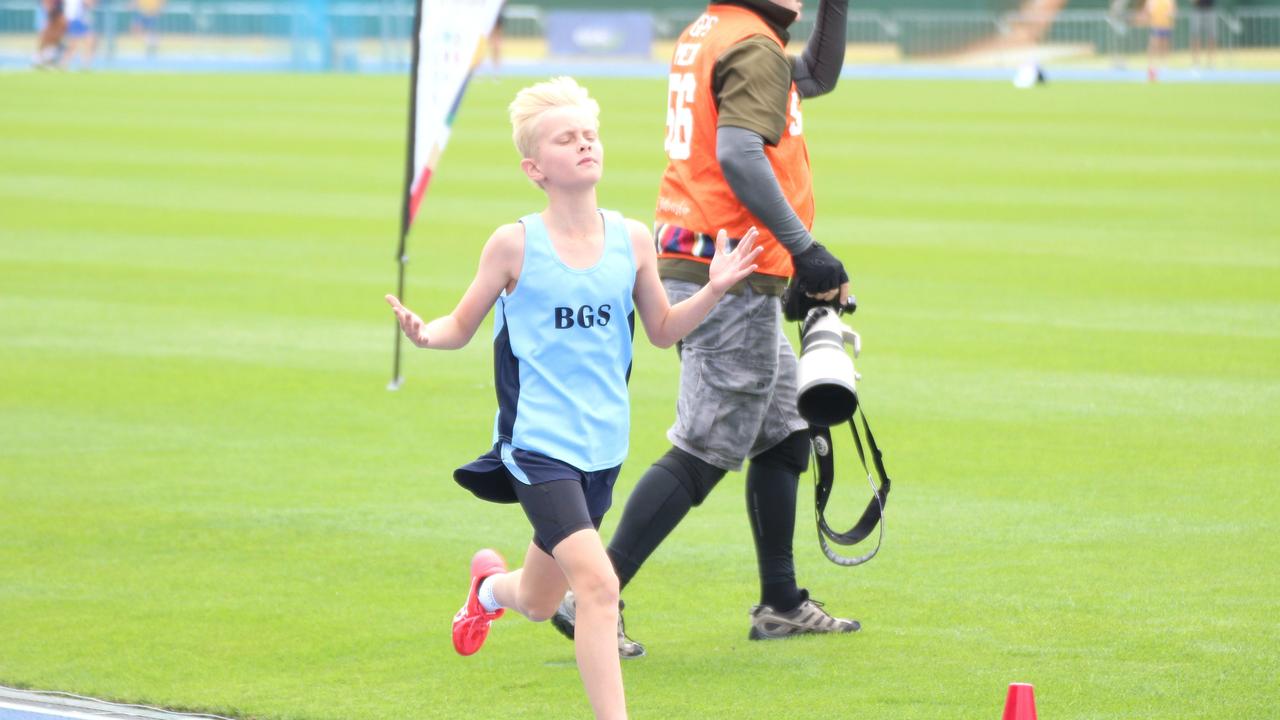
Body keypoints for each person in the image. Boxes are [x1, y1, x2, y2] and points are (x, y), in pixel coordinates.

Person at [385, 77, 760, 720]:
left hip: (603, 448)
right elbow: (459, 326)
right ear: (535, 168)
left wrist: (716, 288)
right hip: (537, 447)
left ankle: (488, 591)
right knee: (598, 584)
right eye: (567, 138)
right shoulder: (514, 244)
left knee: (535, 599)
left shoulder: (633, 240)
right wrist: (425, 335)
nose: (585, 144)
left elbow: (665, 331)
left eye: (590, 134)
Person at [551, 0, 859, 657]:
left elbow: (817, 75)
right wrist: (805, 249)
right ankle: (591, 599)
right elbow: (740, 154)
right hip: (730, 269)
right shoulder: (748, 43)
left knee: (783, 429)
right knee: (706, 443)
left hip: (712, 259)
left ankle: (780, 604)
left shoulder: (718, 32)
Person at [1143, 0, 1176, 82]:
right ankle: (1151, 65)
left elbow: (1173, 10)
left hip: (1166, 25)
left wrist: (1171, 14)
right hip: (1155, 25)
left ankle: (1164, 63)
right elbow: (1147, 10)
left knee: (1165, 44)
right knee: (1154, 44)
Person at [34, 0, 67, 69]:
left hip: (55, 11)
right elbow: (46, 3)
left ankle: (47, 58)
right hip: (49, 12)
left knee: (53, 37)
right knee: (46, 37)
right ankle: (39, 58)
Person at [1190, 0, 1215, 69]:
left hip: (1210, 9)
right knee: (1195, 36)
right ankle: (1195, 62)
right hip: (1197, 10)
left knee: (1211, 36)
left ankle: (1210, 62)